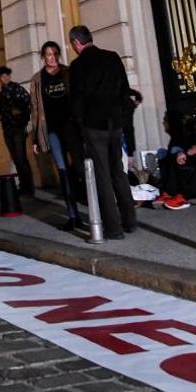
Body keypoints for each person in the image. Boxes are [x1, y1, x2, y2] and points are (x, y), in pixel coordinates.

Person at [66, 25, 136, 240]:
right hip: (114, 123)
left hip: (93, 126)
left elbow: (76, 99)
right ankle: (129, 220)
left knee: (102, 176)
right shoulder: (113, 57)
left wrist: (80, 125)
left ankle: (113, 227)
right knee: (118, 172)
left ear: (76, 43)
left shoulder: (77, 66)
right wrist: (123, 120)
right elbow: (125, 91)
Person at [29, 40, 82, 231]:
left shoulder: (68, 72)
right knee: (63, 171)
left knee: (79, 169)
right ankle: (73, 215)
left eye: (54, 54)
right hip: (51, 129)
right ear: (43, 57)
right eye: (47, 55)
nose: (51, 58)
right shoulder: (37, 79)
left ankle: (88, 211)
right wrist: (35, 137)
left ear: (58, 55)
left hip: (71, 127)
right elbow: (35, 109)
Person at [0, 66, 34, 197]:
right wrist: (2, 115)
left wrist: (21, 117)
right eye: (2, 76)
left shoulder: (17, 89)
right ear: (0, 79)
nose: (5, 78)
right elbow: (4, 110)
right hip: (8, 129)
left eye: (6, 75)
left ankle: (28, 188)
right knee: (17, 159)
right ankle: (24, 187)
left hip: (17, 129)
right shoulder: (2, 93)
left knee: (21, 158)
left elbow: (29, 103)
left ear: (9, 76)